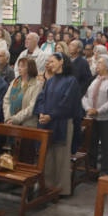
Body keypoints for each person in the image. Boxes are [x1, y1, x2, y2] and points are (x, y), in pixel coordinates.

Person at [33, 53, 83, 197]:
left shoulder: (71, 81)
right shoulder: (50, 80)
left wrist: (51, 115)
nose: (49, 64)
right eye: (48, 62)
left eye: (52, 61)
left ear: (61, 62)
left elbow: (67, 103)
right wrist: (42, 113)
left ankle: (62, 189)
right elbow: (41, 98)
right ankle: (47, 185)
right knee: (48, 155)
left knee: (60, 157)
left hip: (62, 122)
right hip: (47, 122)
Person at [82, 55, 108, 176]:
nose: (97, 65)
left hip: (106, 118)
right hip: (91, 117)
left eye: (99, 63)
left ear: (107, 66)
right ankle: (91, 168)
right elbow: (84, 96)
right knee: (91, 143)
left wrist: (98, 111)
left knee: (106, 145)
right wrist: (88, 108)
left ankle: (105, 171)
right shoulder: (93, 79)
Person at [3, 58, 43, 127]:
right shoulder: (14, 82)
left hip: (27, 124)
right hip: (10, 122)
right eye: (19, 66)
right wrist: (8, 118)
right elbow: (6, 100)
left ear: (30, 68)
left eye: (22, 66)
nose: (19, 68)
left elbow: (31, 107)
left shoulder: (37, 84)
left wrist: (15, 119)